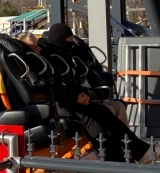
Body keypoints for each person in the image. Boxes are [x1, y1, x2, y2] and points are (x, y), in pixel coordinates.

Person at [36, 24, 150, 163]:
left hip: (69, 99)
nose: (38, 49)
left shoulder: (54, 58)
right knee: (96, 117)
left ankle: (134, 151)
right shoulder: (40, 62)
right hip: (57, 105)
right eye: (69, 39)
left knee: (107, 110)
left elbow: (65, 83)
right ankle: (117, 161)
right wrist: (76, 97)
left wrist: (81, 94)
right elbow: (50, 89)